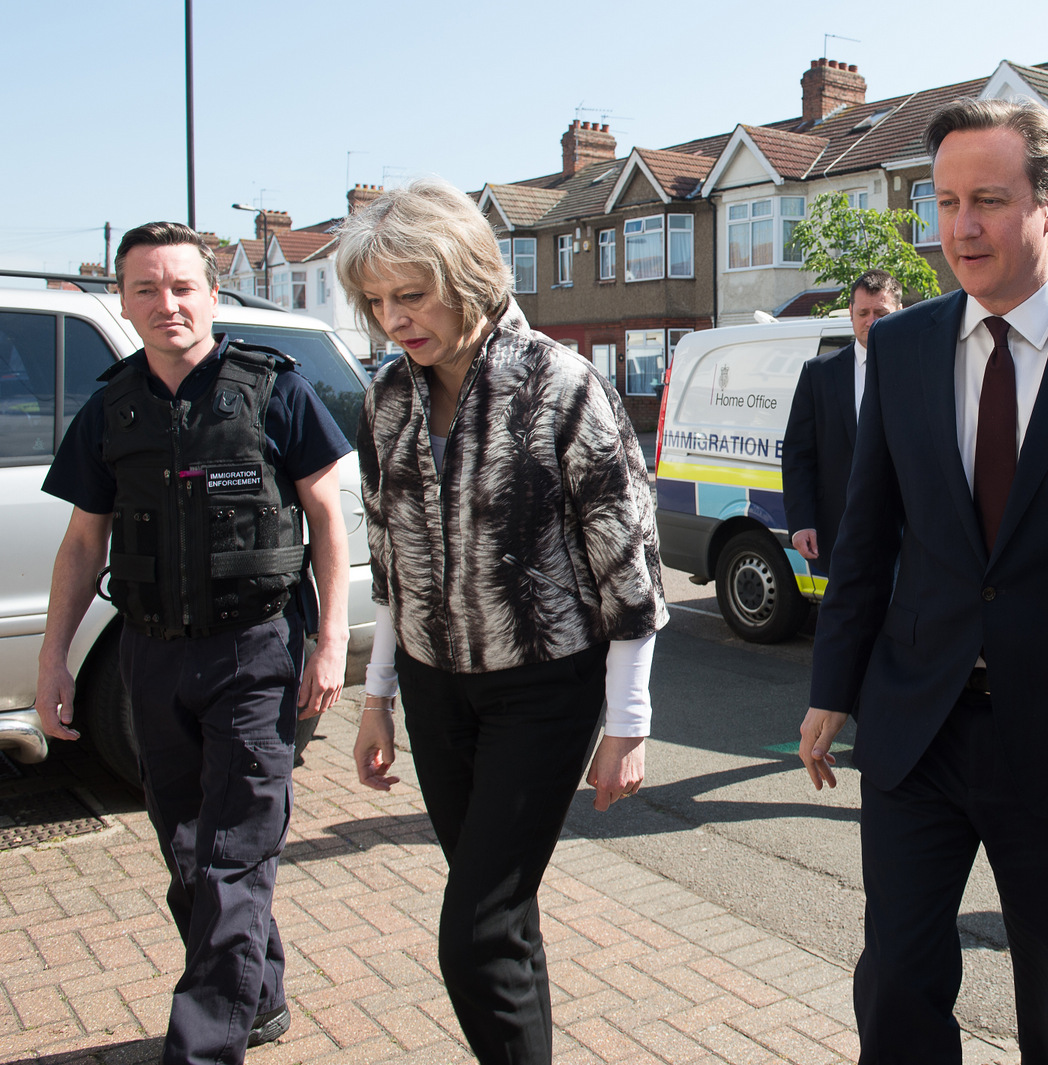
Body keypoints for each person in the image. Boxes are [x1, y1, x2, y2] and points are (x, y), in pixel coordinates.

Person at [799, 99, 1048, 1064]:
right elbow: (865, 538)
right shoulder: (898, 347)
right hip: (917, 730)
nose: (961, 227)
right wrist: (831, 687)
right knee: (896, 989)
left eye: (988, 199)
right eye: (944, 202)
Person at [339, 179, 668, 1065]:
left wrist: (628, 723)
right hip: (434, 686)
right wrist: (377, 699)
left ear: (469, 276)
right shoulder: (385, 402)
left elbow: (628, 567)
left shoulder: (561, 385)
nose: (394, 318)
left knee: (474, 933)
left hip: (543, 688)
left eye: (412, 294)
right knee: (504, 920)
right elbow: (390, 560)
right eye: (376, 301)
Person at [34, 222, 350, 1064]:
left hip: (255, 651)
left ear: (213, 294)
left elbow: (327, 519)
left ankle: (204, 1043)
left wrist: (331, 644)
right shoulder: (111, 406)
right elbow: (80, 544)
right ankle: (263, 994)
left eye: (182, 287)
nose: (166, 303)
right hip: (151, 653)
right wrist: (53, 655)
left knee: (235, 852)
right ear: (124, 300)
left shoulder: (275, 390)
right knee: (185, 845)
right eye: (146, 288)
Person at [783, 270, 902, 573]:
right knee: (843, 618)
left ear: (899, 312)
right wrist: (801, 523)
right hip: (839, 533)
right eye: (863, 312)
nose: (871, 321)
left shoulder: (920, 373)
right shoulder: (818, 375)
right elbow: (798, 455)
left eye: (881, 312)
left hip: (907, 537)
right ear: (850, 313)